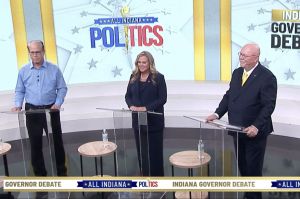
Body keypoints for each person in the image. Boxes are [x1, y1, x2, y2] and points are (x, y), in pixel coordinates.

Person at [206, 43, 277, 199]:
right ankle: (248, 194)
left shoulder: (267, 77)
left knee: (253, 170)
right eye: (240, 54)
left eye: (245, 55)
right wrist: (217, 114)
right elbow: (230, 95)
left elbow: (268, 106)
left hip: (254, 132)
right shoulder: (237, 72)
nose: (241, 57)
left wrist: (256, 126)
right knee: (243, 166)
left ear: (256, 57)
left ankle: (254, 196)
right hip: (237, 128)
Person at [11, 40, 68, 178]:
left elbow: (62, 88)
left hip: (51, 110)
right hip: (32, 111)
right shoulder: (23, 71)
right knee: (35, 144)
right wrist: (18, 104)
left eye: (38, 52)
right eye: (32, 52)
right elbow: (19, 90)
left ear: (43, 51)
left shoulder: (54, 69)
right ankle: (40, 175)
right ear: (29, 53)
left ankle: (61, 172)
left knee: (56, 142)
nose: (35, 55)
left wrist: (58, 103)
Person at [125, 51, 167, 176]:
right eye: (139, 62)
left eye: (144, 62)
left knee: (154, 153)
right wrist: (131, 105)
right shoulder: (133, 76)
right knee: (142, 153)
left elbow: (162, 99)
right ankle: (145, 176)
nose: (141, 65)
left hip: (153, 122)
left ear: (150, 63)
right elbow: (128, 96)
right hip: (138, 121)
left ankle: (157, 180)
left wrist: (146, 108)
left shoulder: (158, 77)